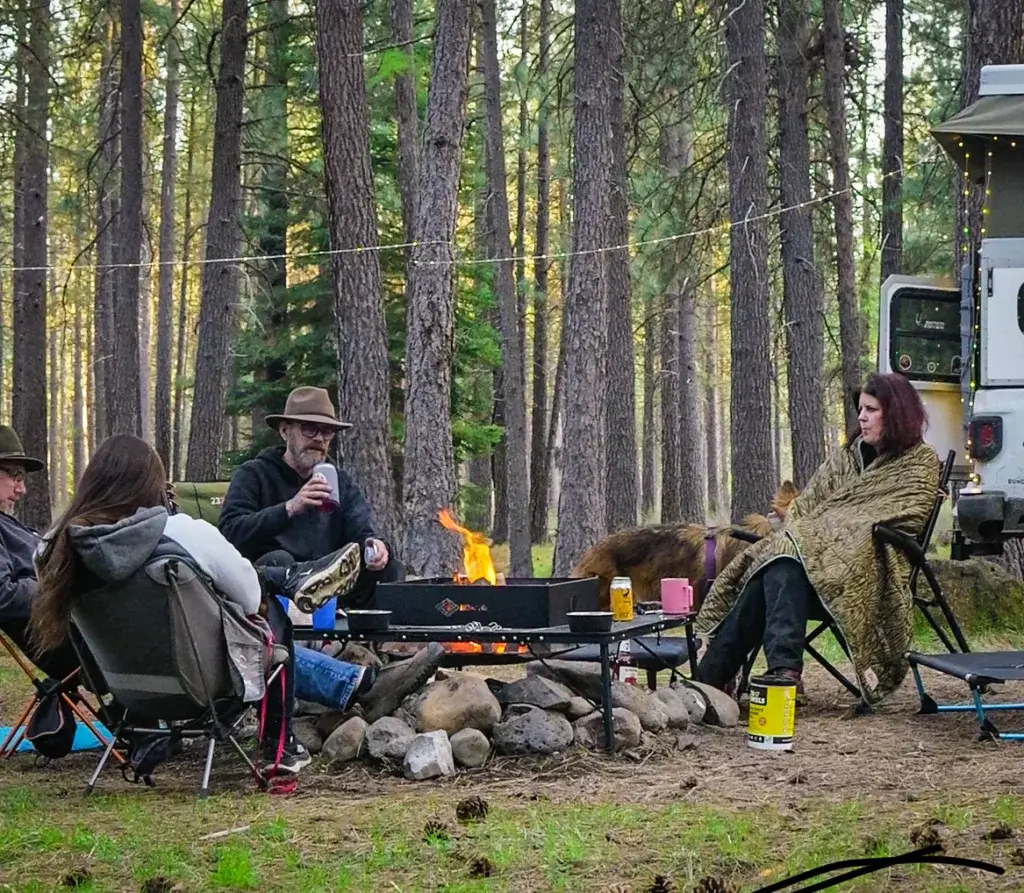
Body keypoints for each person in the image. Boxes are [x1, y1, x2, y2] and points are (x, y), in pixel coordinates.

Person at [30, 436, 442, 772]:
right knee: (266, 606)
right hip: (202, 681)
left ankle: (331, 638)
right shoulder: (181, 533)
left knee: (263, 583)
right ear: (152, 486)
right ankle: (288, 737)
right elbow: (249, 598)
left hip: (121, 689)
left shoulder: (55, 549)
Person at [695, 373, 941, 704]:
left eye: (871, 409)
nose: (862, 417)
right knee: (782, 566)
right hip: (809, 575)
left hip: (866, 575)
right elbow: (806, 508)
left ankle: (710, 680)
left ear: (895, 413)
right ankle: (782, 673)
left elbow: (905, 516)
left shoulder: (919, 462)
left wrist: (823, 536)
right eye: (860, 409)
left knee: (779, 564)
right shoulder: (847, 456)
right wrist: (812, 540)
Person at [218, 387, 401, 609]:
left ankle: (369, 638)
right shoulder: (254, 474)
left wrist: (376, 547)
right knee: (278, 560)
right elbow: (230, 532)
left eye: (327, 432)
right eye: (309, 429)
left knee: (390, 567)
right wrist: (289, 508)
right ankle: (289, 637)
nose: (319, 439)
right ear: (285, 431)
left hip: (332, 585)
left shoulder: (340, 481)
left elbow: (361, 532)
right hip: (276, 584)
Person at [0, 426, 82, 683]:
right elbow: (3, 594)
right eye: (16, 476)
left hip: (84, 632)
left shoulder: (8, 524)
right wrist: (59, 588)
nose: (22, 489)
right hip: (75, 643)